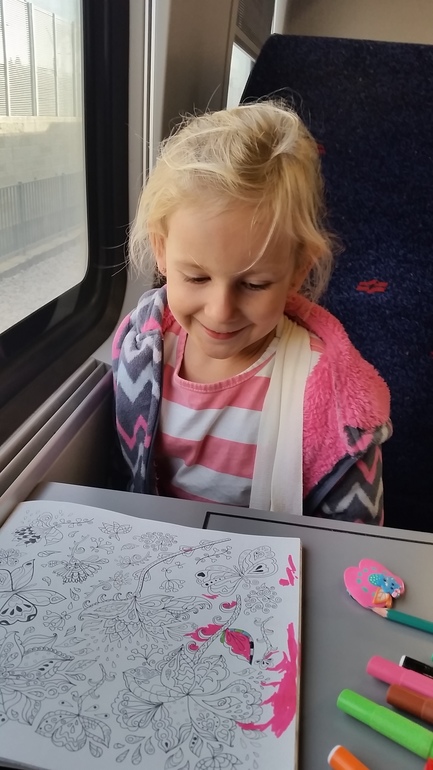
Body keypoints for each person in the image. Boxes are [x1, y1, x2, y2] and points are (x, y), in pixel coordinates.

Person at [112, 100, 391, 523]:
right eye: (196, 278)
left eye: (254, 284)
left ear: (298, 271)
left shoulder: (329, 399)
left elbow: (354, 535)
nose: (220, 311)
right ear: (162, 251)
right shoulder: (141, 344)